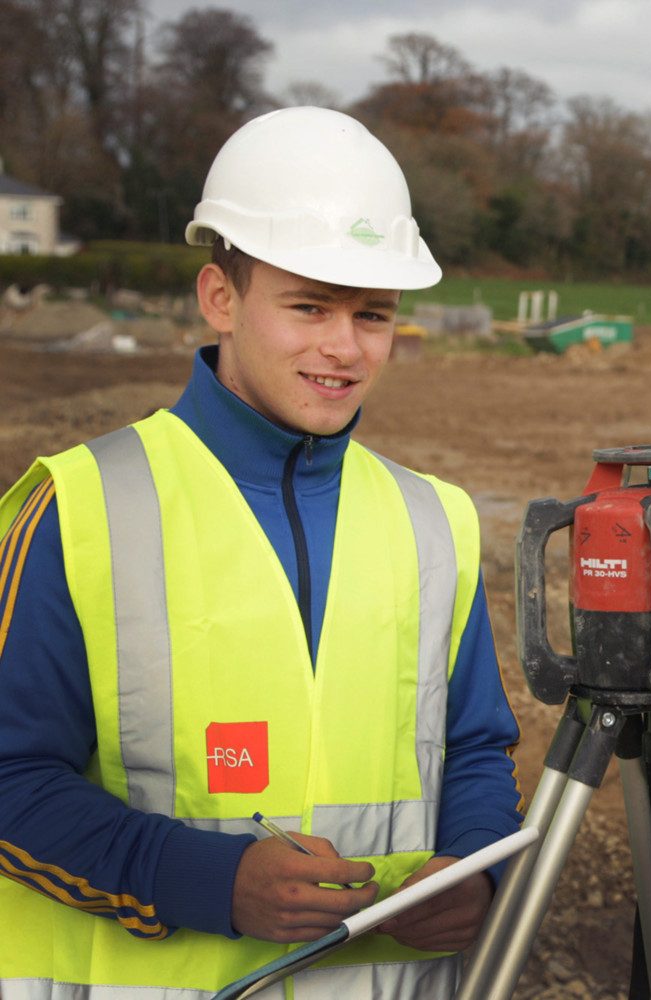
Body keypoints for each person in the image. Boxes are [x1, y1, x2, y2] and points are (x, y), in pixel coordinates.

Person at [0, 107, 524, 998]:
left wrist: (477, 871)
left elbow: (474, 747)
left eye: (373, 314)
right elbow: (11, 779)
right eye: (309, 305)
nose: (343, 346)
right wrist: (210, 882)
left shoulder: (434, 519)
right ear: (221, 297)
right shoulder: (80, 505)